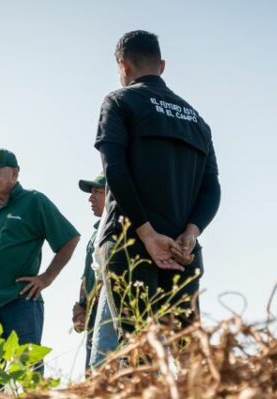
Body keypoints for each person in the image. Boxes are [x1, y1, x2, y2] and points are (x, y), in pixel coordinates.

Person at [94, 30, 221, 343]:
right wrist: (191, 233)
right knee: (188, 353)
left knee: (140, 353)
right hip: (182, 251)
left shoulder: (119, 102)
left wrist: (147, 234)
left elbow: (115, 170)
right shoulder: (197, 120)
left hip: (131, 245)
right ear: (162, 66)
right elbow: (212, 188)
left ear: (123, 67)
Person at [0, 148, 80, 350]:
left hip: (20, 302)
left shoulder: (34, 202)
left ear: (15, 173)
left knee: (28, 370)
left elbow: (70, 239)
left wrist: (46, 278)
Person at [72, 172, 111, 370]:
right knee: (93, 374)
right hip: (93, 315)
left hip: (112, 315)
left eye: (97, 192)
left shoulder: (118, 230)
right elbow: (88, 274)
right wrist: (81, 306)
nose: (90, 198)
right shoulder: (97, 232)